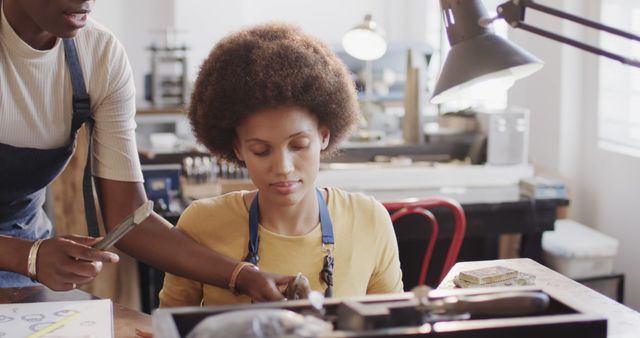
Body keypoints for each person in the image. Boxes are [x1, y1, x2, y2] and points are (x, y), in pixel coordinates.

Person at [0, 0, 295, 301]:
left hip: (22, 260)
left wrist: (242, 275)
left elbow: (130, 219)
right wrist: (27, 256)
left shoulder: (99, 54)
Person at [159, 23, 403, 307]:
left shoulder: (369, 220)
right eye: (261, 151)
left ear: (324, 136)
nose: (283, 167)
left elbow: (393, 323)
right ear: (237, 148)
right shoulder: (201, 223)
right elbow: (170, 327)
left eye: (298, 146)